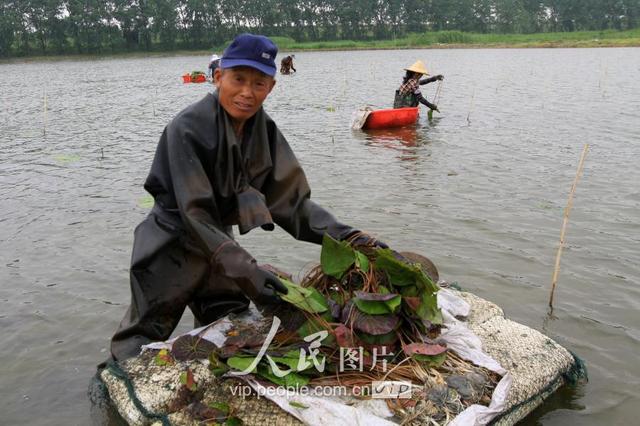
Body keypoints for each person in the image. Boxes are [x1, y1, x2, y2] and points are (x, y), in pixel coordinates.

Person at [109, 34, 387, 361]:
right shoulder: (187, 128)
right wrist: (248, 270)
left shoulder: (264, 131)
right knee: (140, 338)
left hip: (220, 245)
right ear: (218, 77)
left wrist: (351, 238)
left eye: (258, 83)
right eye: (238, 79)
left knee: (230, 324)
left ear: (271, 87)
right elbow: (193, 212)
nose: (246, 92)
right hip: (170, 245)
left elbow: (292, 204)